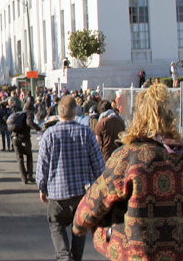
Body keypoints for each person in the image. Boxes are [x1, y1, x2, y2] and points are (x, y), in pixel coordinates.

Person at [73, 83, 183, 259]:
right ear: (171, 116)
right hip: (180, 253)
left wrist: (79, 226)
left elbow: (92, 204)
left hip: (136, 253)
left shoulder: (127, 156)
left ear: (138, 116)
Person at [36, 95, 105, 261]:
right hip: (81, 194)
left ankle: (64, 255)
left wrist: (42, 187)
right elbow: (99, 165)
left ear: (59, 112)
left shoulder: (50, 134)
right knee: (79, 229)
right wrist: (100, 188)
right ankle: (75, 257)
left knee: (56, 225)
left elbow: (42, 166)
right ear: (76, 111)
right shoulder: (86, 132)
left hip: (56, 194)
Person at [13, 98, 41, 185]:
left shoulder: (20, 113)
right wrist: (38, 128)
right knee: (29, 155)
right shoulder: (29, 113)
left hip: (14, 137)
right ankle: (30, 175)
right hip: (24, 137)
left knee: (20, 159)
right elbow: (29, 123)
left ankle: (24, 178)